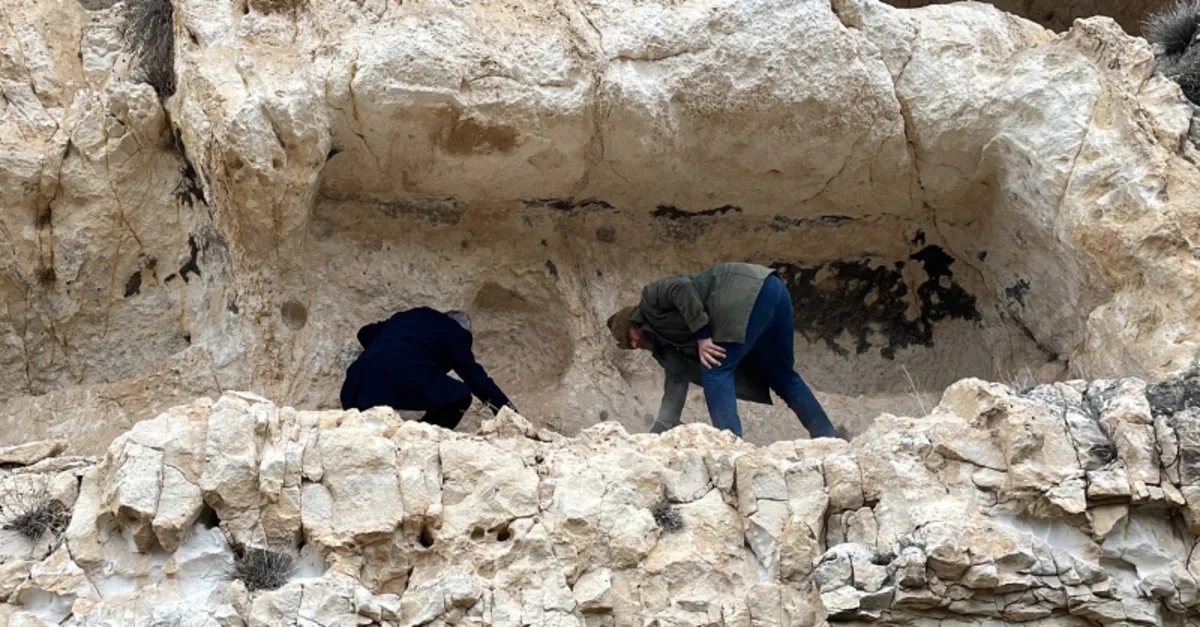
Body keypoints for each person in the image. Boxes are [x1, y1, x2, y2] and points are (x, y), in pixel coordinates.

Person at [606, 262, 839, 439]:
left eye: (630, 339)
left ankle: (729, 445)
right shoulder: (666, 344)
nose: (634, 346)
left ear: (634, 323)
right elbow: (676, 380)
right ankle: (828, 437)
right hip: (772, 289)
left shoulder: (650, 299)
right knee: (782, 376)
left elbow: (681, 287)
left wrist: (703, 336)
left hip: (747, 292)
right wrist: (664, 424)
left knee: (715, 369)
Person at [340, 307, 515, 429]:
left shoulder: (412, 316)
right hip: (399, 379)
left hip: (355, 387)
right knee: (460, 396)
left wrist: (387, 352)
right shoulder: (455, 332)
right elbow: (475, 378)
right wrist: (509, 413)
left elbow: (364, 333)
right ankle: (422, 435)